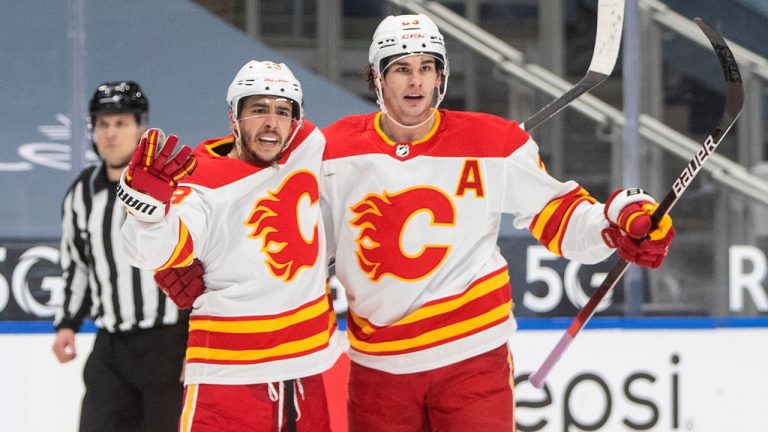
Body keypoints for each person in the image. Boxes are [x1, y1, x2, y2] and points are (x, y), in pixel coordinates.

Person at [317, 14, 676, 431]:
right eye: (401, 69)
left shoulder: (493, 143)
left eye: (426, 67)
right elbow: (305, 245)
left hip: (472, 361)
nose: (415, 82)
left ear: (440, 77)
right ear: (377, 78)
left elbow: (559, 216)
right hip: (378, 370)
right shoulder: (333, 152)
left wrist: (615, 224)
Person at [118, 61, 345, 432]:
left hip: (309, 370)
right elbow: (152, 250)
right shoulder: (200, 182)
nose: (271, 122)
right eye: (258, 109)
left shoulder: (306, 146)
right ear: (234, 118)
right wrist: (147, 211)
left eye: (282, 111)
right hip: (228, 377)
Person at [52, 81, 188, 432]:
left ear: (141, 128)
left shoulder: (173, 189)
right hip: (111, 348)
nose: (110, 133)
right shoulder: (81, 194)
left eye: (121, 123)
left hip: (169, 345)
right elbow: (77, 265)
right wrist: (67, 323)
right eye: (102, 123)